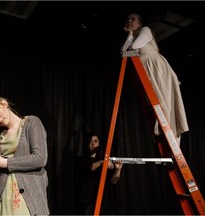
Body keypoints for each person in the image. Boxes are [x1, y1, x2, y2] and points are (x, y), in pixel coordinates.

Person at [121, 13, 189, 146]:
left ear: (139, 23)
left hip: (157, 69)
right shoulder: (132, 38)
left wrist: (130, 36)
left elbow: (132, 48)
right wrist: (129, 34)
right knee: (158, 108)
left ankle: (175, 147)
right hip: (147, 72)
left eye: (132, 19)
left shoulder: (145, 30)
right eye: (127, 19)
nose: (129, 21)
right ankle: (169, 145)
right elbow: (125, 53)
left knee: (166, 106)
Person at [0, 95, 49, 215]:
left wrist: (3, 163)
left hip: (26, 197)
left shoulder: (31, 122)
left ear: (4, 103)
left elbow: (40, 158)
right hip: (1, 197)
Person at [77, 132, 123, 215]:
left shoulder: (104, 161)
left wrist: (117, 170)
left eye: (95, 141)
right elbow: (89, 168)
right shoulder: (81, 159)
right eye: (90, 141)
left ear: (99, 144)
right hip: (86, 201)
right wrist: (102, 162)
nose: (92, 143)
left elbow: (114, 181)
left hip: (103, 201)